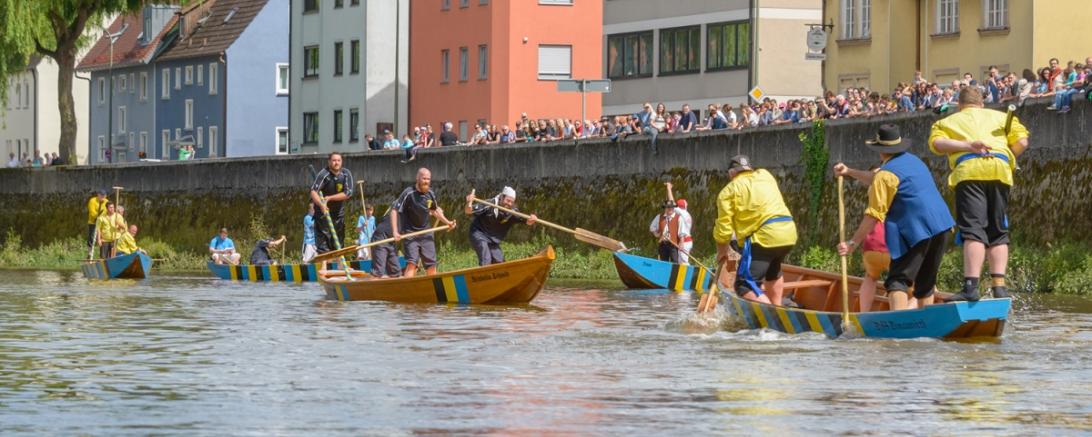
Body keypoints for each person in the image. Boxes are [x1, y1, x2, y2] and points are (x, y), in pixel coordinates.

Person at [838, 125, 956, 311]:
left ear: (880, 151)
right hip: (942, 225)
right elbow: (874, 178)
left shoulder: (886, 174)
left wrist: (853, 243)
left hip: (917, 229)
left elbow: (873, 216)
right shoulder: (914, 161)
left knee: (897, 281)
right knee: (925, 283)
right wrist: (849, 171)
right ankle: (927, 326)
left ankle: (897, 331)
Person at [929, 86, 1029, 301]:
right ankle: (999, 287)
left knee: (973, 230)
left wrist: (967, 145)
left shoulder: (946, 122)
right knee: (998, 230)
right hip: (1000, 170)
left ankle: (970, 288)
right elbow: (1022, 142)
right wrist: (1005, 156)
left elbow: (937, 144)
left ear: (959, 104)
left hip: (969, 172)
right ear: (982, 103)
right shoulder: (1003, 117)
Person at [714, 155, 798, 306]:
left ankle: (773, 315)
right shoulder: (765, 175)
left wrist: (722, 252)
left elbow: (724, 231)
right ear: (750, 169)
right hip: (788, 232)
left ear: (731, 173)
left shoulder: (727, 192)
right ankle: (777, 305)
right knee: (773, 273)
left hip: (763, 238)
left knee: (743, 286)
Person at [833, 164, 891, 312]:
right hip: (892, 245)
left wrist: (848, 171)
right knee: (908, 284)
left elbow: (872, 177)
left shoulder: (874, 192)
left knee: (870, 277)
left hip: (871, 246)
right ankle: (905, 315)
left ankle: (864, 314)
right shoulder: (893, 187)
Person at [390, 167, 456, 277]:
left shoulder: (430, 194)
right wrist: (395, 232)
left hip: (426, 233)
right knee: (412, 264)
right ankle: (406, 291)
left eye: (428, 179)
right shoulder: (408, 193)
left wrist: (447, 222)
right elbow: (394, 210)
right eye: (424, 178)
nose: (426, 181)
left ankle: (433, 290)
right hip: (411, 234)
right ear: (417, 178)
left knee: (431, 265)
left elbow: (434, 211)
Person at [463, 187, 537, 266]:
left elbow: (527, 221)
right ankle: (485, 276)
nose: (509, 204)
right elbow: (468, 211)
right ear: (501, 197)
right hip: (479, 234)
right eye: (507, 200)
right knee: (486, 259)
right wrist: (469, 202)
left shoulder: (513, 212)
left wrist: (532, 219)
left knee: (499, 262)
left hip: (493, 240)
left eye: (512, 202)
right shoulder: (489, 204)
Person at [309, 152, 354, 255]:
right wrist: (321, 204)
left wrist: (329, 198)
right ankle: (324, 266)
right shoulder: (324, 174)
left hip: (338, 212)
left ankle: (340, 264)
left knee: (339, 239)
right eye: (334, 160)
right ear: (329, 161)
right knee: (323, 240)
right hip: (323, 212)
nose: (336, 163)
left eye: (338, 160)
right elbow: (313, 191)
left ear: (341, 162)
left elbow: (348, 193)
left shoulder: (346, 174)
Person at [665, 182, 693, 264]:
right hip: (687, 240)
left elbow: (671, 201)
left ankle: (689, 276)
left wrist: (669, 188)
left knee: (683, 263)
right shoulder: (687, 214)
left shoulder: (681, 213)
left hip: (684, 241)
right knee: (682, 262)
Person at [369, 214, 401, 278]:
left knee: (396, 271)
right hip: (381, 237)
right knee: (378, 271)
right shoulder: (399, 208)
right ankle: (371, 286)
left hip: (391, 240)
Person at [650, 199, 681, 263]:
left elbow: (681, 233)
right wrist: (657, 234)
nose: (670, 209)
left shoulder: (678, 218)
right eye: (668, 207)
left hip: (674, 244)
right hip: (663, 243)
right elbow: (652, 227)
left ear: (673, 208)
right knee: (663, 263)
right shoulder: (659, 217)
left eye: (671, 207)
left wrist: (681, 243)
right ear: (665, 208)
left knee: (675, 262)